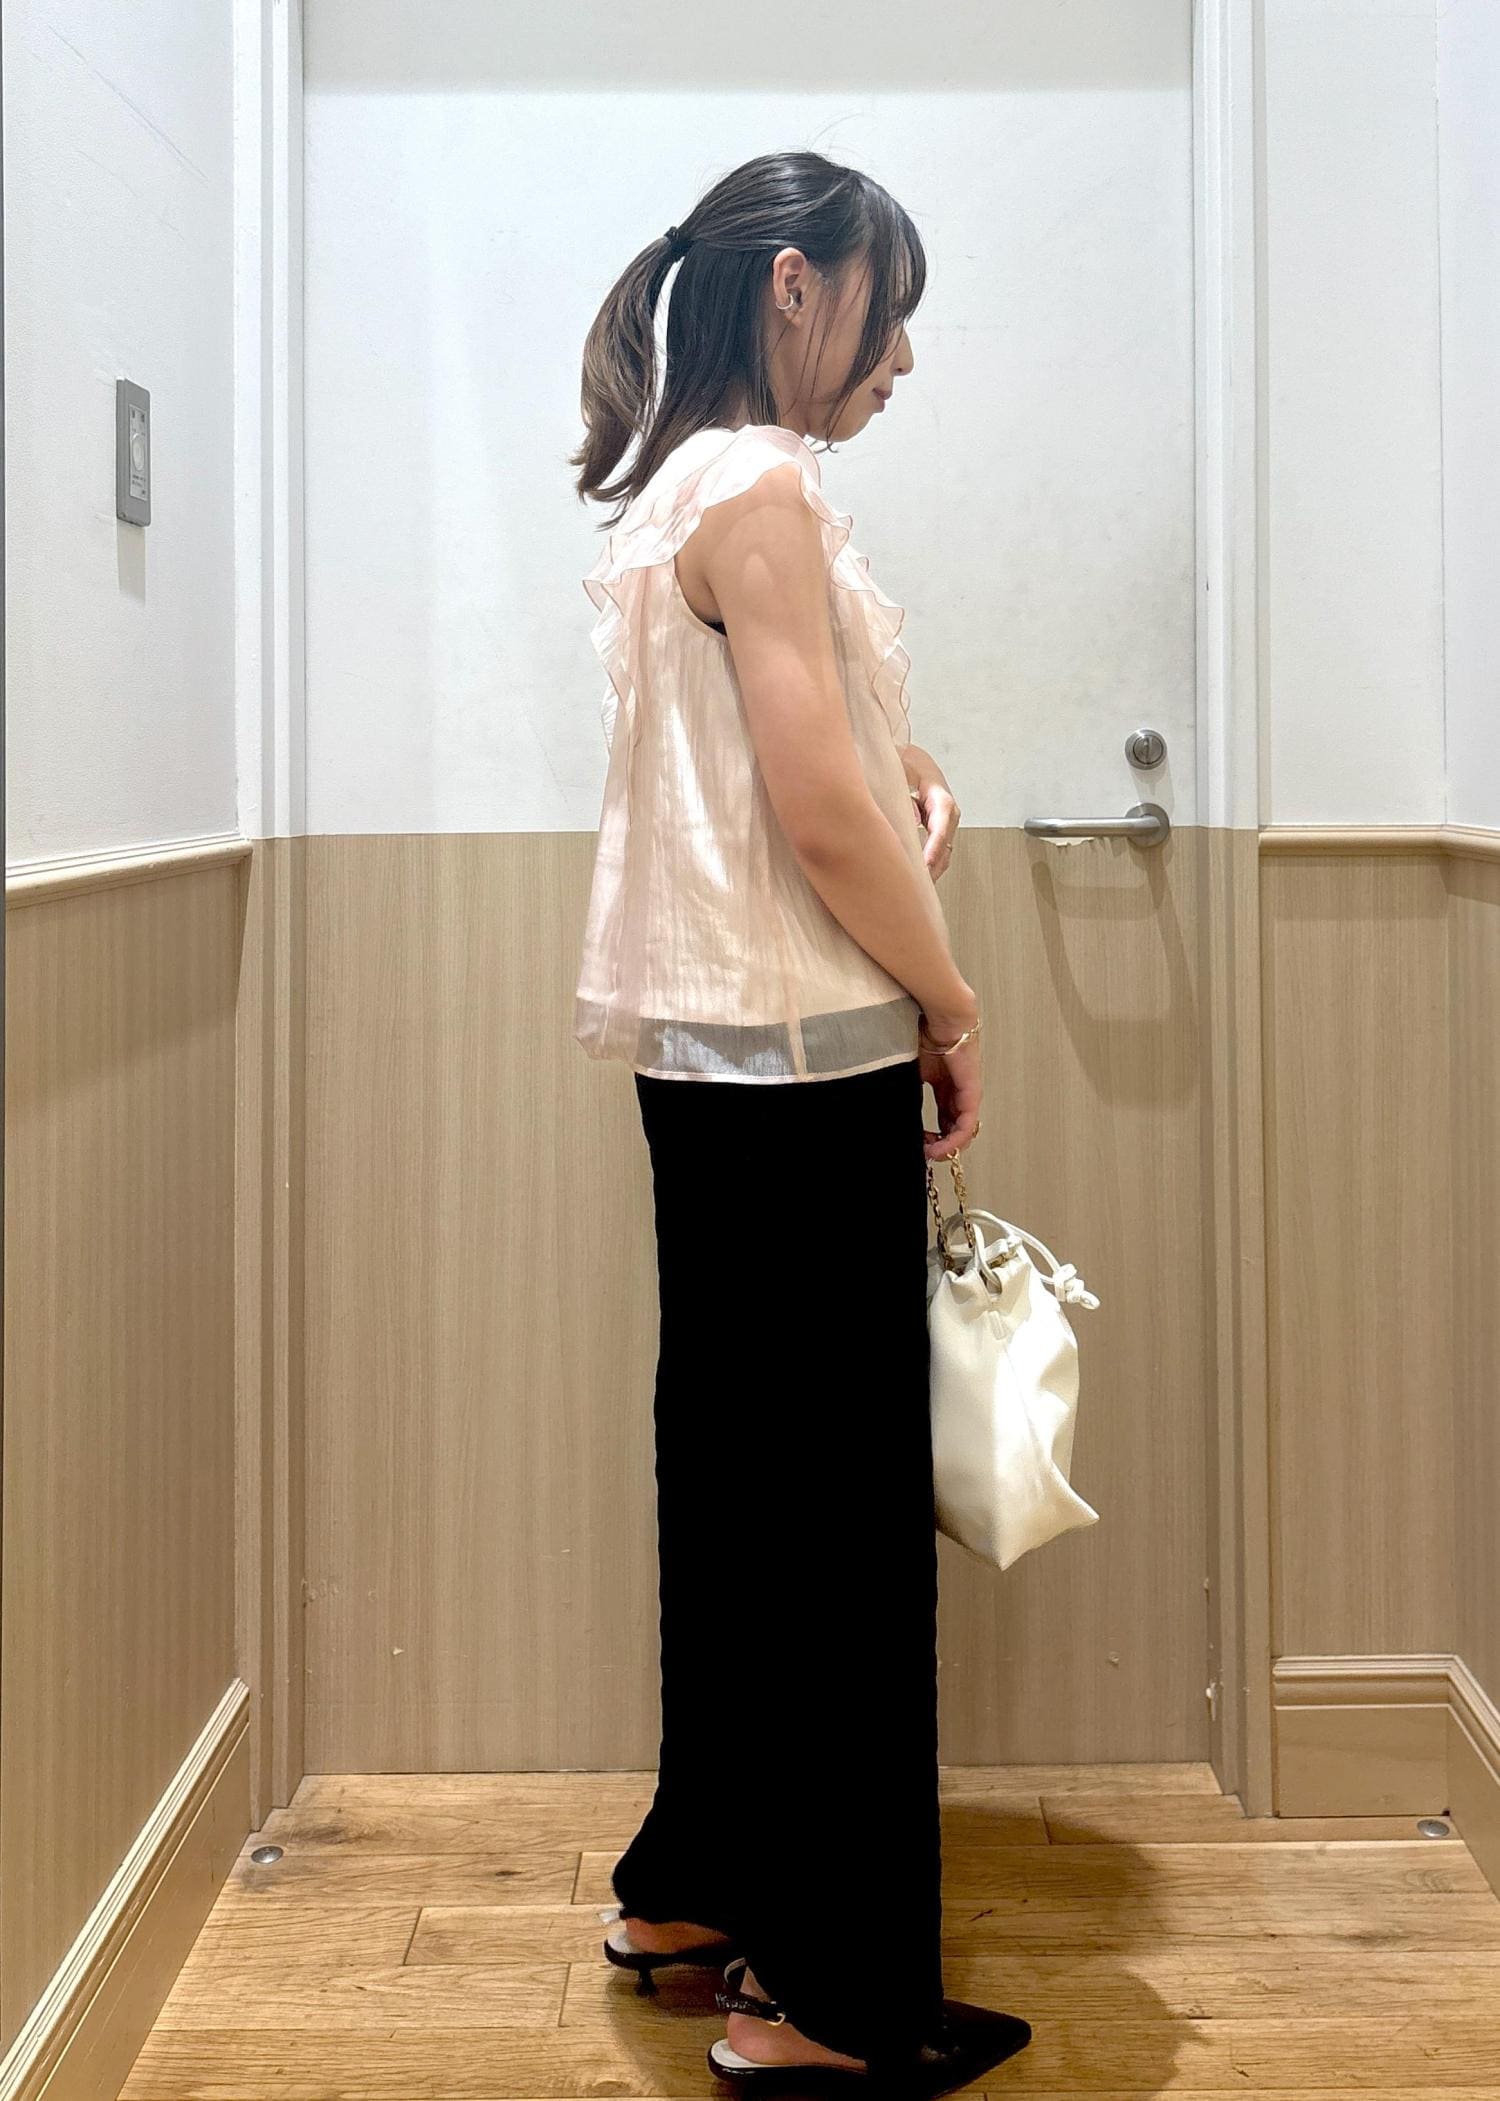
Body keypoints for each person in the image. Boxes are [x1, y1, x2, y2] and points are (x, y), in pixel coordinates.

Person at [569, 150, 1031, 2097]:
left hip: (711, 1059)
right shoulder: (760, 493)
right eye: (886, 308)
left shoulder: (685, 489)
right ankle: (826, 1996)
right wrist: (951, 999)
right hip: (806, 1055)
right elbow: (820, 813)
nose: (902, 356)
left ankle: (696, 1892)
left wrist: (903, 768)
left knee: (742, 1483)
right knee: (833, 1525)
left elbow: (828, 767)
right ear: (793, 288)